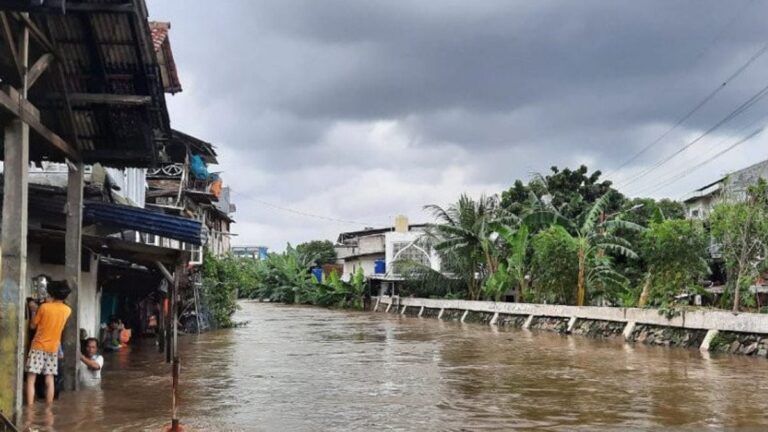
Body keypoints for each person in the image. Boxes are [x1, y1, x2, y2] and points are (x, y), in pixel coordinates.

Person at [25, 281, 72, 405]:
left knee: (31, 379)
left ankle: (29, 409)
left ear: (52, 293)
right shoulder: (67, 310)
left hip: (38, 346)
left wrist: (33, 311)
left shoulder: (44, 307)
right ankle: (49, 408)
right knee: (49, 379)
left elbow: (32, 325)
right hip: (53, 348)